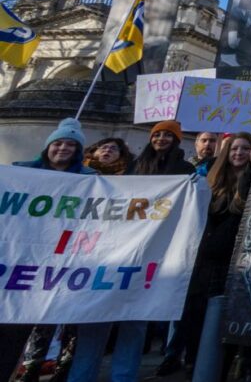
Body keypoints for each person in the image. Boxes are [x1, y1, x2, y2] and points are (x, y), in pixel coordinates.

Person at [69, 121, 194, 382]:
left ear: (177, 140)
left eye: (167, 135)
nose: (160, 139)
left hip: (151, 253)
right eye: (157, 134)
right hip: (115, 250)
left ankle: (123, 377)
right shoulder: (133, 166)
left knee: (134, 323)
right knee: (94, 321)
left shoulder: (184, 169)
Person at [1, 120, 94, 381]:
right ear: (48, 147)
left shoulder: (90, 180)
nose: (63, 148)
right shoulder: (20, 172)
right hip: (16, 258)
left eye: (71, 144)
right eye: (58, 143)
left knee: (21, 331)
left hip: (55, 260)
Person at [181, 134, 251, 382]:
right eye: (234, 148)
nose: (239, 152)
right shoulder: (208, 181)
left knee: (223, 326)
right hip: (205, 263)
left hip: (236, 263)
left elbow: (244, 205)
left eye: (246, 148)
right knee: (196, 323)